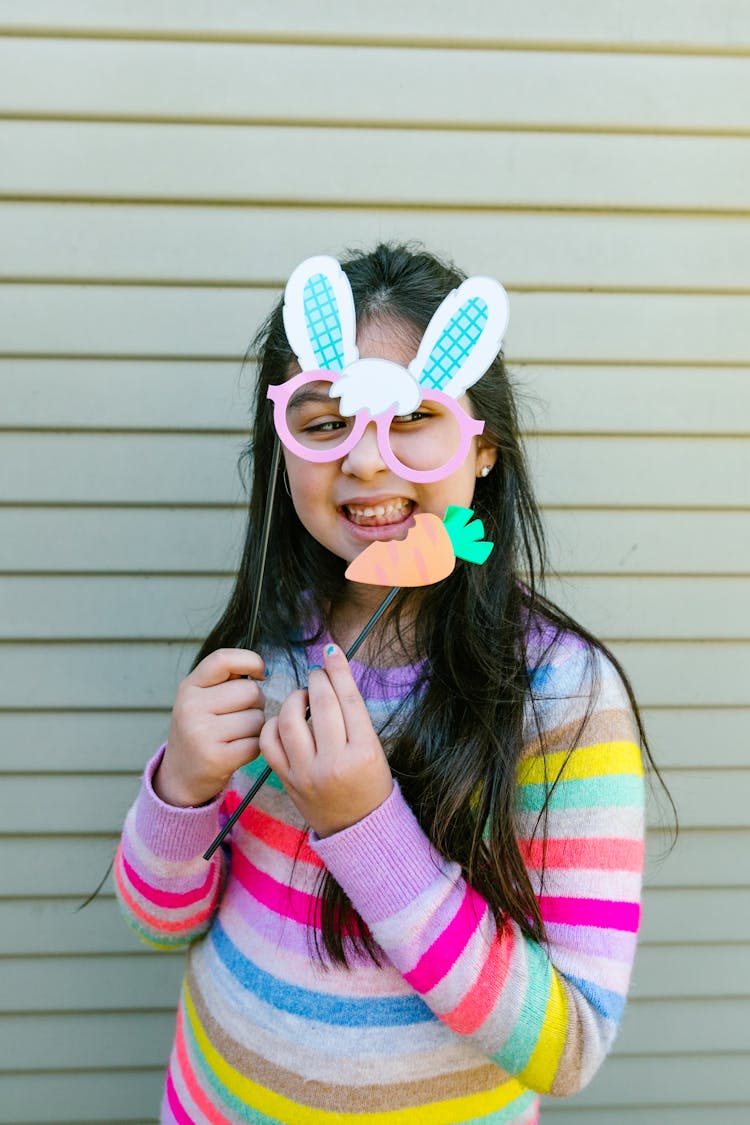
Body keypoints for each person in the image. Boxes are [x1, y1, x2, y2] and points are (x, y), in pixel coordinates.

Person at [114, 243, 661, 1125]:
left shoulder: (561, 694)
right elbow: (160, 920)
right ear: (281, 445)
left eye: (412, 419)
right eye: (326, 422)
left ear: (483, 447)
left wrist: (364, 827)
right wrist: (178, 790)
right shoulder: (263, 648)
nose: (368, 462)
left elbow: (569, 1047)